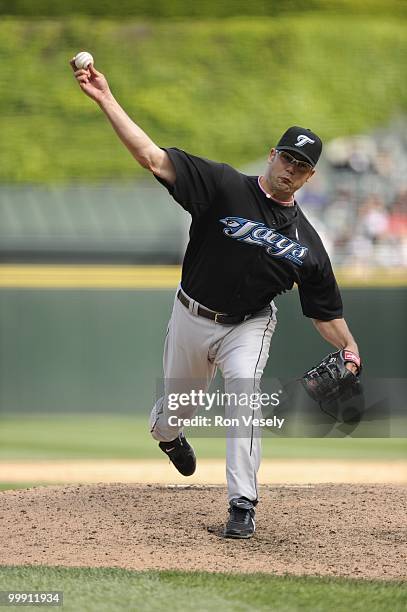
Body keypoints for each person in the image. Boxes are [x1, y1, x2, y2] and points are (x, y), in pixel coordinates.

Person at [71, 59, 361, 539]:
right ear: (272, 154)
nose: (291, 168)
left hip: (248, 325)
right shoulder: (224, 185)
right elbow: (150, 156)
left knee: (244, 396)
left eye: (302, 166)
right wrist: (105, 97)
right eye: (287, 157)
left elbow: (325, 312)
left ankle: (242, 505)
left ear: (309, 178)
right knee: (175, 412)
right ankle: (168, 435)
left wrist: (350, 348)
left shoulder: (308, 244)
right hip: (191, 314)